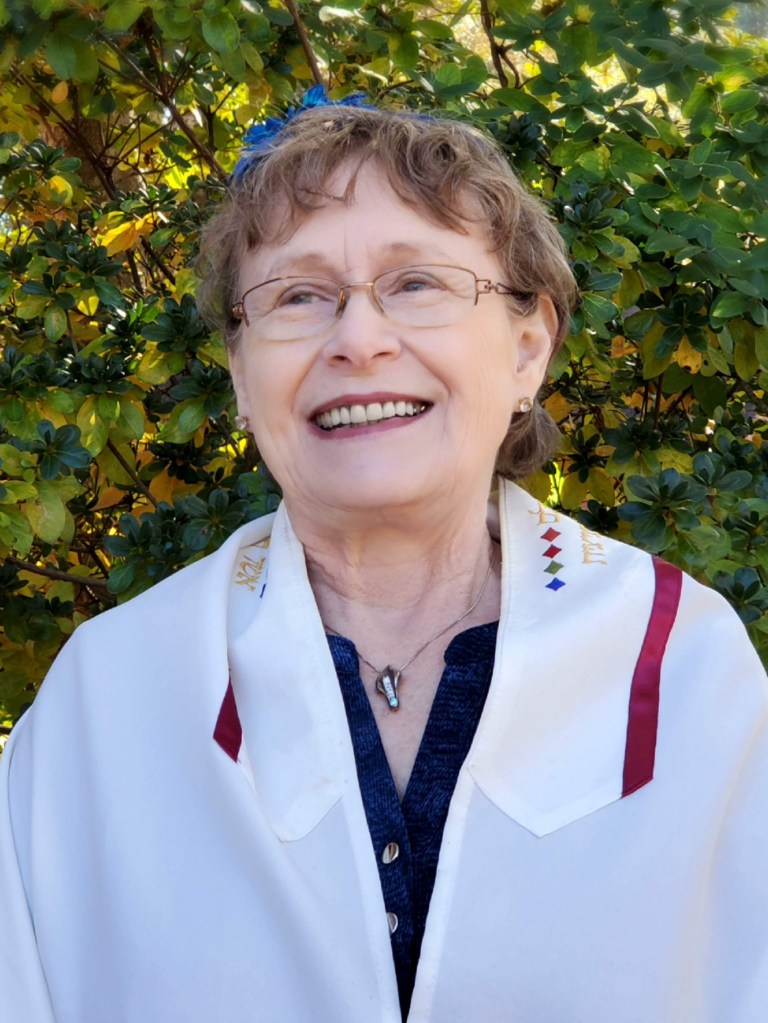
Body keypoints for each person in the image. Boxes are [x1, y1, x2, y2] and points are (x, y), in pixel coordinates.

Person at [1, 92, 767, 1023]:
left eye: (417, 283)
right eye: (298, 296)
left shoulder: (685, 667)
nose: (359, 340)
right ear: (240, 375)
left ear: (528, 347)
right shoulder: (111, 694)